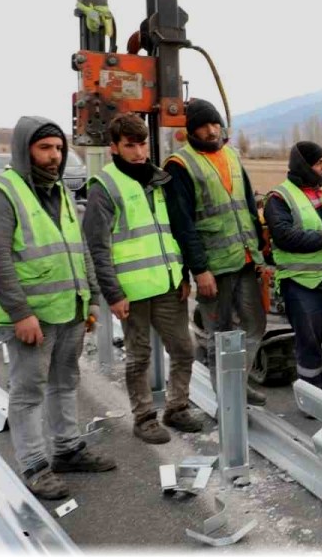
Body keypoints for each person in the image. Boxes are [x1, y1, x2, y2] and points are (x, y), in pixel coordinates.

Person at [0, 116, 115, 500]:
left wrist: (91, 299)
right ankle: (35, 464)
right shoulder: (0, 195)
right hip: (31, 316)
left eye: (58, 148)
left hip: (68, 308)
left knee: (66, 381)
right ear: (25, 151)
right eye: (45, 148)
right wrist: (20, 314)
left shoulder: (61, 193)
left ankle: (68, 449)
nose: (54, 156)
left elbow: (79, 248)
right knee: (28, 390)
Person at [83, 113, 203, 445]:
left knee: (183, 349)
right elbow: (98, 247)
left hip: (168, 285)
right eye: (130, 146)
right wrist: (113, 294)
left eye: (142, 144)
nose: (138, 153)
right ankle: (144, 417)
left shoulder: (159, 180)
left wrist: (183, 274)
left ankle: (176, 408)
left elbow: (172, 231)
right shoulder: (104, 186)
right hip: (131, 292)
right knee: (139, 356)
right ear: (114, 148)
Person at [163, 99, 270, 405]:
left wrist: (260, 251)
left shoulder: (232, 156)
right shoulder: (179, 166)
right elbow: (182, 224)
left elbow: (248, 205)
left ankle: (237, 382)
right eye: (204, 126)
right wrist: (199, 269)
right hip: (213, 267)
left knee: (254, 325)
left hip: (245, 259)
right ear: (192, 131)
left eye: (215, 124)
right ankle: (227, 401)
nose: (211, 131)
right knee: (220, 334)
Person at [264, 141, 322, 401]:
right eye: (319, 163)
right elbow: (285, 236)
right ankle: (313, 398)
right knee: (309, 344)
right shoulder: (279, 198)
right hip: (302, 284)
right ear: (304, 166)